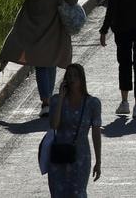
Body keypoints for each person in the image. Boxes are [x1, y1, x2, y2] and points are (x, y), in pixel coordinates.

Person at [0, 0, 78, 119]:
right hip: (54, 29)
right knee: (51, 63)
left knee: (41, 66)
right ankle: (48, 100)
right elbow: (72, 0)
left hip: (34, 30)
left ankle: (46, 102)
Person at [45, 63, 102, 196]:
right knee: (58, 193)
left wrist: (98, 162)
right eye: (69, 76)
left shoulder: (92, 103)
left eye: (75, 76)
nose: (71, 79)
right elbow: (54, 125)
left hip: (80, 156)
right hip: (58, 155)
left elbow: (96, 133)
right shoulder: (55, 100)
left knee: (78, 193)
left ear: (82, 79)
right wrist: (60, 99)